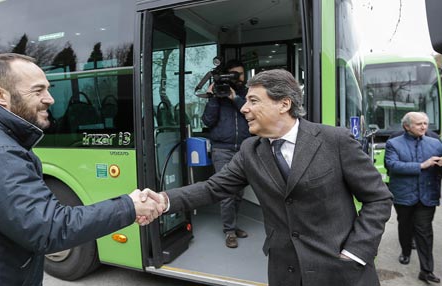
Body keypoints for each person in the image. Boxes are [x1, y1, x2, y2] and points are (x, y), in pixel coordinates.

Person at [0, 53, 162, 286]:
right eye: (38, 90)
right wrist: (129, 206)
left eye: (48, 89)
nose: (49, 99)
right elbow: (49, 230)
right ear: (0, 95)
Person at [145, 69, 393, 286]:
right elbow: (213, 188)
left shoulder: (335, 140)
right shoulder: (250, 150)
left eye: (253, 100)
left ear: (284, 104)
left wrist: (356, 251)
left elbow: (378, 199)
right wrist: (162, 200)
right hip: (284, 271)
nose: (243, 108)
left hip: (342, 271)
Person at [384, 111, 442, 283]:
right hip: (403, 194)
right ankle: (406, 251)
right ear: (406, 126)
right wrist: (421, 165)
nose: (423, 127)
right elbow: (393, 165)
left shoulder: (436, 143)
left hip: (427, 195)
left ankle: (426, 270)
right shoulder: (393, 143)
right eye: (419, 124)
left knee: (424, 232)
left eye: (425, 123)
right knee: (405, 226)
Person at [201, 59, 251, 248]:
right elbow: (207, 121)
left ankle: (233, 225)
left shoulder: (248, 94)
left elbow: (252, 114)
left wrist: (235, 99)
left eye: (240, 74)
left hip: (245, 148)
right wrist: (214, 98)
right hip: (222, 149)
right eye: (233, 74)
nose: (237, 78)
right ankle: (229, 231)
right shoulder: (217, 95)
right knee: (227, 192)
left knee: (238, 192)